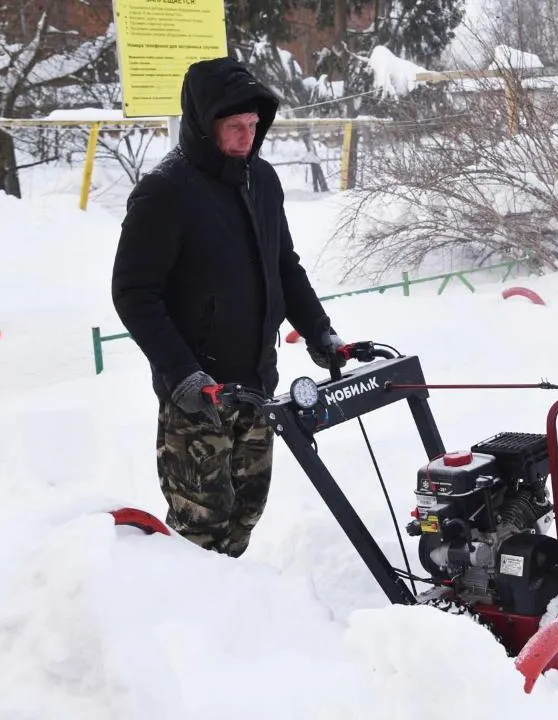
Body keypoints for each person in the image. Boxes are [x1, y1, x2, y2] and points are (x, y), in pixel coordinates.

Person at [111, 56, 344, 558]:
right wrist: (182, 374)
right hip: (198, 395)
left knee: (245, 512)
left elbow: (283, 265)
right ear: (204, 124)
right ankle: (186, 603)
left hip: (256, 385)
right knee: (201, 524)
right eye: (234, 126)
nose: (246, 137)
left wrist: (320, 331)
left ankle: (232, 599)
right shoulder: (165, 192)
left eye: (253, 126)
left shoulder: (262, 181)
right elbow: (134, 294)